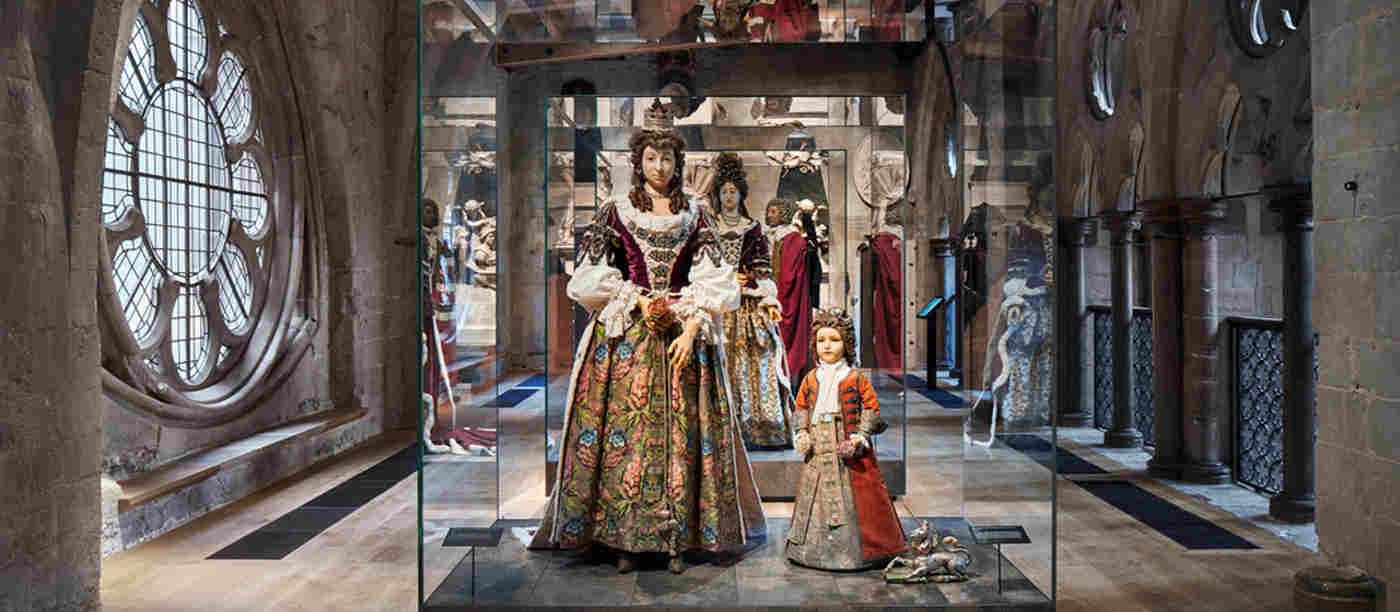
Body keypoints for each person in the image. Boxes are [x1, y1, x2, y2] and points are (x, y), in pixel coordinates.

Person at [531, 100, 766, 575]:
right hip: (626, 336)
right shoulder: (615, 211)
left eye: (668, 158)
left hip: (684, 333)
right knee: (627, 434)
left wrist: (695, 321)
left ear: (679, 163)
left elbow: (716, 277)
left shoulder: (696, 213)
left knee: (683, 434)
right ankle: (621, 536)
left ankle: (680, 534)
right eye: (651, 158)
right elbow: (590, 276)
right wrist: (636, 299)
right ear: (637, 162)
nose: (660, 167)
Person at [786, 308, 907, 570]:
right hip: (818, 448)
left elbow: (871, 408)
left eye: (834, 339)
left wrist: (860, 437)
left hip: (848, 448)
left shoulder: (855, 377)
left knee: (858, 499)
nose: (826, 345)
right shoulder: (810, 378)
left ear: (847, 344)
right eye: (821, 340)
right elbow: (801, 408)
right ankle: (810, 550)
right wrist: (801, 432)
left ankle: (863, 551)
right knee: (813, 496)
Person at [707, 153, 794, 450]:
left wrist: (755, 287)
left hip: (745, 307)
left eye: (733, 191)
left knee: (754, 361)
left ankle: (758, 428)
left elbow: (761, 268)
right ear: (718, 195)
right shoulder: (709, 226)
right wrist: (726, 279)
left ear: (741, 194)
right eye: (724, 191)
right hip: (718, 304)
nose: (729, 196)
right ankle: (720, 430)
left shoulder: (752, 227)